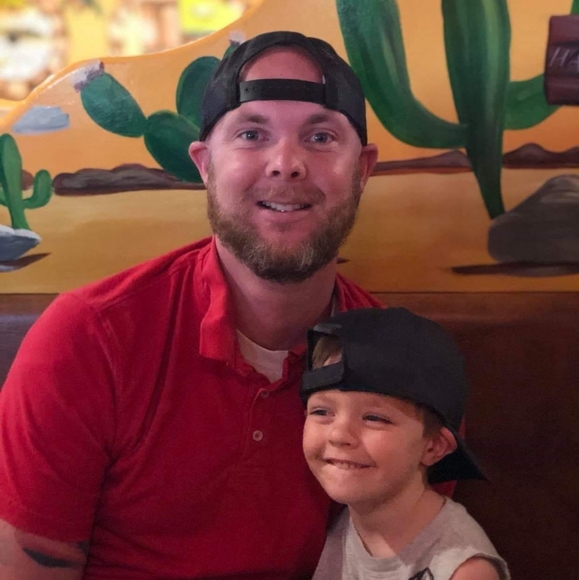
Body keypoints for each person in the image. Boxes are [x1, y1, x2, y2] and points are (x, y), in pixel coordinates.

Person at [0, 31, 383, 579]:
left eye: (320, 137)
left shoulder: (405, 365)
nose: (286, 163)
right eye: (251, 134)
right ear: (205, 164)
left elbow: (414, 547)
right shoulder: (88, 339)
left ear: (362, 169)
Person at [301, 307, 510, 580]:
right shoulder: (350, 516)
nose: (339, 435)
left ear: (433, 446)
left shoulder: (463, 571)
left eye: (374, 418)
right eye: (321, 411)